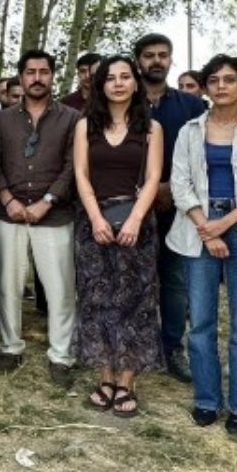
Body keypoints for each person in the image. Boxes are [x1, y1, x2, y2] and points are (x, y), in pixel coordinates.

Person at [166, 55, 237, 436]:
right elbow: (180, 183)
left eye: (229, 80)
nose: (221, 86)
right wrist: (207, 227)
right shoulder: (189, 131)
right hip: (197, 228)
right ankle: (206, 400)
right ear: (204, 87)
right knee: (200, 322)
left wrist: (225, 224)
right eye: (213, 80)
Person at [72, 54, 164, 418]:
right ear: (101, 85)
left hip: (137, 222)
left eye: (126, 76)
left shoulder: (151, 128)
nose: (119, 83)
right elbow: (81, 175)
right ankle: (105, 376)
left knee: (136, 301)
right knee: (97, 299)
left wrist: (135, 220)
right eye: (111, 78)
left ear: (136, 83)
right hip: (93, 221)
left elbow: (154, 177)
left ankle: (127, 379)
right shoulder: (85, 126)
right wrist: (96, 218)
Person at [0, 50, 79, 383]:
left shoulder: (72, 118)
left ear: (53, 76)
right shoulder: (2, 119)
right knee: (8, 285)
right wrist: (7, 198)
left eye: (44, 72)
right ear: (21, 77)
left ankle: (61, 355)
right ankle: (10, 347)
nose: (37, 78)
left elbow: (73, 166)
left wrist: (47, 201)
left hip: (54, 215)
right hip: (8, 213)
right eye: (31, 72)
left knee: (60, 288)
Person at [134, 33, 205, 383]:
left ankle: (172, 348)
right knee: (132, 279)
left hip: (178, 205)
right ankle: (133, 347)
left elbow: (201, 156)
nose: (156, 61)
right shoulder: (122, 100)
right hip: (129, 207)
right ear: (138, 61)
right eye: (149, 55)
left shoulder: (192, 106)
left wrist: (171, 189)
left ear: (171, 59)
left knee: (174, 280)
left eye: (163, 54)